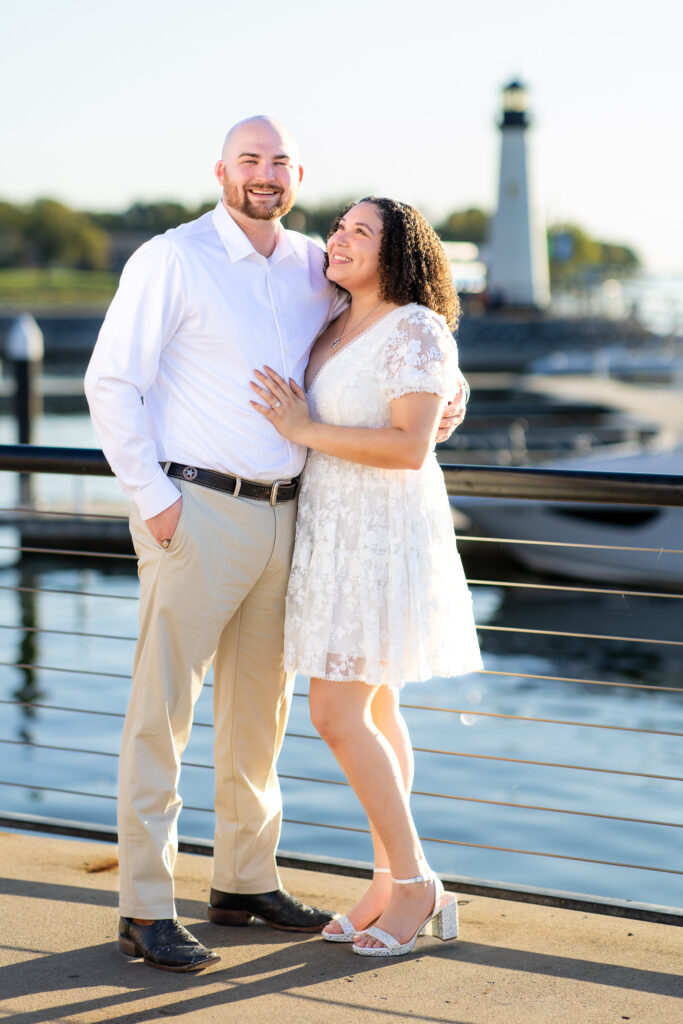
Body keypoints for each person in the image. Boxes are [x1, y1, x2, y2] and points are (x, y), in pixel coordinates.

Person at [85, 119, 467, 972]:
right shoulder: (171, 257)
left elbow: (400, 338)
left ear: (298, 174)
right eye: (248, 161)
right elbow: (108, 381)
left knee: (261, 714)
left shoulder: (312, 266)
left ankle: (244, 881)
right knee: (163, 717)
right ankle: (146, 907)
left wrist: (455, 396)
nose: (263, 175)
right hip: (196, 508)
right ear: (221, 170)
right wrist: (154, 501)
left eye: (278, 163)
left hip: (296, 516)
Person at [250, 197, 483, 958]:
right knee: (375, 710)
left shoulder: (413, 323)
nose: (338, 239)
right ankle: (391, 879)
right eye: (338, 227)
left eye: (360, 231)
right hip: (333, 529)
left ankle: (415, 882)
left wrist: (302, 430)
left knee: (336, 713)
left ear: (396, 253)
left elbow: (411, 446)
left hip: (380, 533)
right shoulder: (334, 318)